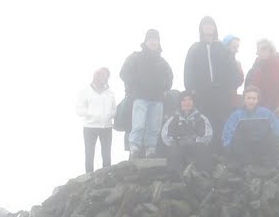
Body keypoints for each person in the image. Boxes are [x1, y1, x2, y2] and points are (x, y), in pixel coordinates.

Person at [184, 16, 241, 151]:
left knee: (221, 119)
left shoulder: (221, 47)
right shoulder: (195, 48)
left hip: (220, 91)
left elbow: (231, 68)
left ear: (215, 28)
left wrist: (230, 87)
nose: (208, 27)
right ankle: (206, 150)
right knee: (205, 120)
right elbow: (188, 69)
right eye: (205, 25)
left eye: (211, 25)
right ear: (201, 29)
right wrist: (191, 89)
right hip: (202, 91)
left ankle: (221, 150)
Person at [120, 29, 173, 159]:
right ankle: (134, 149)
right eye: (151, 39)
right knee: (138, 125)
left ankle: (151, 150)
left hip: (157, 99)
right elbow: (124, 73)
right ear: (146, 41)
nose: (153, 42)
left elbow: (170, 77)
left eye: (156, 40)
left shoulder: (162, 61)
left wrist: (164, 87)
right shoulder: (135, 57)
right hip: (140, 98)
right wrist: (136, 84)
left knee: (154, 127)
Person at [245, 39, 279, 157]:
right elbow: (255, 88)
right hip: (268, 107)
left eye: (264, 48)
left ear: (271, 49)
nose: (260, 52)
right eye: (259, 50)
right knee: (271, 133)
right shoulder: (258, 69)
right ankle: (275, 159)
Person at [222, 87, 279, 167]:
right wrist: (227, 148)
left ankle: (268, 166)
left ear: (257, 100)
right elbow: (227, 132)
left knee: (275, 138)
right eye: (249, 98)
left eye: (254, 98)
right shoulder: (236, 115)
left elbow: (278, 130)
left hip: (263, 148)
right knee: (235, 139)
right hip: (244, 151)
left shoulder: (267, 114)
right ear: (244, 100)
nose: (251, 101)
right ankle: (246, 165)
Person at [161, 91, 214, 174]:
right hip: (179, 150)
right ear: (180, 103)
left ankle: (203, 176)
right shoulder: (174, 119)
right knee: (174, 148)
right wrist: (178, 141)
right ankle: (175, 178)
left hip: (195, 149)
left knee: (203, 148)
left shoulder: (200, 118)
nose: (187, 103)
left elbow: (208, 135)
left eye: (189, 100)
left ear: (193, 102)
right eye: (184, 100)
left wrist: (194, 141)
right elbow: (165, 136)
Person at [76, 67, 117, 173]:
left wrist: (109, 115)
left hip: (106, 127)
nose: (105, 78)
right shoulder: (85, 91)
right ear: (96, 76)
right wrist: (91, 115)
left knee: (106, 154)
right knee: (89, 154)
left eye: (107, 76)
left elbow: (114, 109)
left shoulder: (110, 92)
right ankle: (88, 176)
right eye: (103, 75)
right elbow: (79, 109)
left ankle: (107, 176)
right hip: (90, 127)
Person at [223, 34, 244, 108]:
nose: (237, 50)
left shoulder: (236, 63)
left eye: (237, 47)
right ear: (226, 46)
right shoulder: (218, 62)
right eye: (234, 47)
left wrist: (240, 71)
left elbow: (239, 82)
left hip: (233, 98)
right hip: (221, 99)